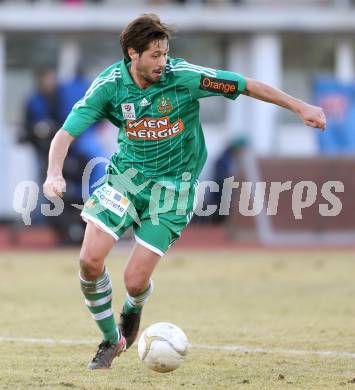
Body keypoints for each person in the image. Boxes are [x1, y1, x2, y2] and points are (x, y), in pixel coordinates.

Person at [43, 13, 326, 370]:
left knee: (134, 281)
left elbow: (246, 84)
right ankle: (110, 341)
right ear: (133, 54)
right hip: (126, 180)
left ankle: (133, 309)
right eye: (155, 55)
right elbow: (65, 134)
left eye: (165, 54)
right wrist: (54, 173)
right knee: (89, 260)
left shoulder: (185, 77)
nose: (163, 62)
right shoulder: (109, 86)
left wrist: (301, 107)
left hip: (174, 189)